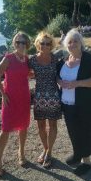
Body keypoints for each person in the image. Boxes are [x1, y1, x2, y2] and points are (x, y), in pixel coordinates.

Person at [57, 29, 91, 176]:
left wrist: (77, 83)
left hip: (85, 105)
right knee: (73, 131)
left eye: (75, 41)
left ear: (81, 43)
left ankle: (86, 161)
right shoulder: (63, 61)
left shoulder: (89, 60)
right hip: (67, 104)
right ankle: (77, 154)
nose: (72, 44)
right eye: (69, 41)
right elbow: (57, 78)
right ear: (66, 45)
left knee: (86, 131)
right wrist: (60, 82)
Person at [0, 32, 31, 177]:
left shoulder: (26, 59)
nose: (20, 45)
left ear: (27, 44)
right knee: (6, 129)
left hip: (24, 97)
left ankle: (21, 154)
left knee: (23, 126)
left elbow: (26, 74)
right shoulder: (8, 58)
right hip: (10, 99)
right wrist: (3, 94)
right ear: (14, 43)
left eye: (23, 42)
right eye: (18, 42)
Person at [29, 32, 62, 168]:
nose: (45, 46)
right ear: (38, 44)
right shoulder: (32, 60)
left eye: (48, 43)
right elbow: (22, 72)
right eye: (42, 43)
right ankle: (45, 148)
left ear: (52, 45)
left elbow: (63, 75)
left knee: (52, 125)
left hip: (54, 95)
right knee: (41, 126)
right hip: (39, 96)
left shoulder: (55, 59)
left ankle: (49, 152)